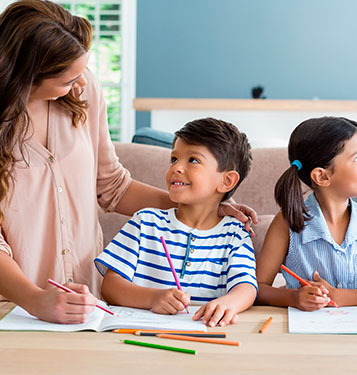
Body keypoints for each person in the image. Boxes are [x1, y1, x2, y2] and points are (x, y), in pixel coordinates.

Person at [0, 0, 256, 324]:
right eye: (68, 79)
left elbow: (112, 186)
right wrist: (36, 300)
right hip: (5, 304)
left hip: (84, 301)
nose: (82, 83)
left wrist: (203, 207)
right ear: (23, 77)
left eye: (82, 71)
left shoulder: (82, 93)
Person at [96, 118, 258, 327]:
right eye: (174, 159)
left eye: (193, 160)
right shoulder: (145, 222)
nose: (177, 168)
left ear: (226, 181)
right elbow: (110, 286)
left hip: (203, 336)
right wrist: (152, 298)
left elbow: (246, 286)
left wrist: (228, 303)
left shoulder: (235, 234)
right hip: (138, 336)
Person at [256, 117, 357, 310]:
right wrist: (293, 297)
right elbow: (257, 288)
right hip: (307, 333)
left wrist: (339, 297)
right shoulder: (286, 223)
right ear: (322, 176)